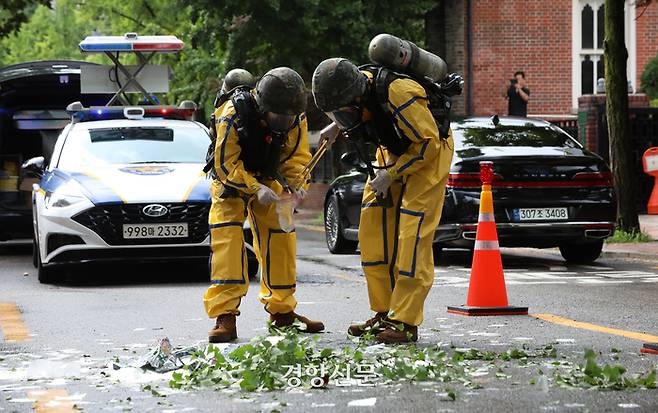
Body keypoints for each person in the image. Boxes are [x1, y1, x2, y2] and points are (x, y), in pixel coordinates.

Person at [311, 58, 454, 343]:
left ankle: (405, 321)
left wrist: (391, 175)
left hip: (428, 153)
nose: (342, 117)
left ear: (356, 97)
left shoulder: (398, 92)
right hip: (392, 149)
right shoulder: (355, 86)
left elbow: (427, 143)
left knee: (412, 236)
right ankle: (384, 313)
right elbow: (361, 114)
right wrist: (335, 127)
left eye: (343, 114)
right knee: (373, 231)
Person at [204, 67, 325, 343]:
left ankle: (283, 313)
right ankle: (225, 317)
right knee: (228, 243)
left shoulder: (295, 116)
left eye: (288, 118)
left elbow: (295, 155)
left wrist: (297, 183)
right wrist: (254, 188)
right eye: (278, 118)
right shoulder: (233, 115)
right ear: (262, 108)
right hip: (230, 182)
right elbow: (225, 164)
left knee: (280, 239)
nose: (283, 123)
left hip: (268, 177)